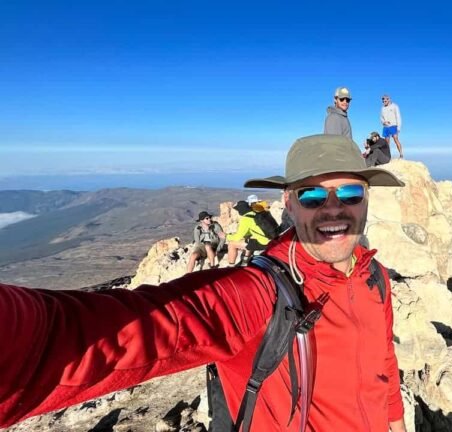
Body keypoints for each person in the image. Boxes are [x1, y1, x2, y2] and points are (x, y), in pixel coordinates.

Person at [0, 134, 408, 432]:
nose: (334, 208)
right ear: (288, 202)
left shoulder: (372, 276)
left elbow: (383, 362)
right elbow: (120, 332)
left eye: (351, 191)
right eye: (313, 195)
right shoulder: (260, 295)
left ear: (368, 198)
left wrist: (393, 419)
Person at [225, 196, 279, 266]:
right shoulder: (256, 213)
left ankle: (231, 266)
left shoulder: (246, 219)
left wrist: (227, 236)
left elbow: (237, 237)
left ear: (240, 210)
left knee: (232, 244)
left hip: (264, 243)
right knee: (248, 239)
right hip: (274, 238)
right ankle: (245, 261)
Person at [380, 94, 403, 159]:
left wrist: (399, 127)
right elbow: (381, 118)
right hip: (386, 127)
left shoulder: (395, 106)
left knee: (396, 139)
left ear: (389, 99)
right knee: (387, 142)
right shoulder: (382, 108)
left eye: (385, 100)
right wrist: (384, 122)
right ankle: (388, 156)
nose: (384, 101)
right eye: (383, 100)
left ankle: (401, 154)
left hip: (393, 125)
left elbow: (398, 117)